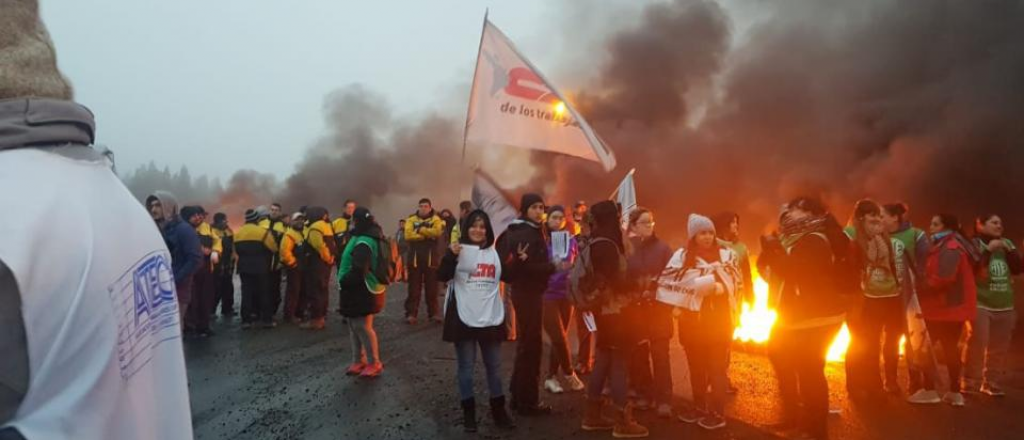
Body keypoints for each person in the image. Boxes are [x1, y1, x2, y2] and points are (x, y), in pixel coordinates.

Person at [0, 3, 192, 435]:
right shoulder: (108, 193)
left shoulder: (14, 219)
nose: (157, 210)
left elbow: (194, 256)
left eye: (161, 206)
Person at [758, 197, 849, 440]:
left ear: (809, 213)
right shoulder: (794, 238)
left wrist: (774, 250)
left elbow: (794, 271)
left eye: (793, 209)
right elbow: (770, 272)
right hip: (796, 314)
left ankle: (816, 430)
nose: (786, 212)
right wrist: (769, 252)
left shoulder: (815, 240)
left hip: (817, 316)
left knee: (810, 371)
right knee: (780, 354)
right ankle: (796, 418)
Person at [438, 210, 517, 433]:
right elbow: (442, 276)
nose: (478, 230)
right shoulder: (457, 250)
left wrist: (518, 261)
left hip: (490, 317)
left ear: (488, 230)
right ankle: (468, 413)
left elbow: (508, 276)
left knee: (494, 366)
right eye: (474, 225)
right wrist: (450, 256)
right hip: (463, 316)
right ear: (466, 228)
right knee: (466, 366)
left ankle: (499, 411)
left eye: (483, 226)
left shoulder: (494, 253)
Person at [664, 214, 742, 430]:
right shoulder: (680, 257)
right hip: (692, 322)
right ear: (693, 235)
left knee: (716, 369)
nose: (707, 237)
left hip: (719, 321)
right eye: (702, 233)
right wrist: (677, 304)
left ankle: (717, 413)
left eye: (710, 232)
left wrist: (720, 288)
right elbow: (669, 281)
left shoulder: (728, 256)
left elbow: (737, 282)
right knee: (696, 368)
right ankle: (698, 407)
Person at [579, 201, 648, 438]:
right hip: (615, 313)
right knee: (619, 363)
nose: (621, 221)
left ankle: (592, 415)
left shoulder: (596, 241)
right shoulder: (607, 246)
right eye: (618, 217)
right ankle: (622, 420)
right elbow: (614, 282)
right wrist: (639, 282)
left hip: (603, 313)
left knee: (603, 360)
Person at [496, 193, 557, 416]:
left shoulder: (527, 229)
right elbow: (528, 267)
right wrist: (553, 268)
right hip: (528, 293)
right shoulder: (524, 233)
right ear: (524, 210)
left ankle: (517, 395)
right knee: (532, 347)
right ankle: (528, 402)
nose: (539, 211)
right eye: (534, 207)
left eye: (541, 207)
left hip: (527, 293)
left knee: (526, 345)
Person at [914, 214, 980, 407]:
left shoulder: (950, 247)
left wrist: (921, 286)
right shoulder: (950, 245)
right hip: (951, 310)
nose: (931, 227)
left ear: (946, 227)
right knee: (950, 350)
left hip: (943, 310)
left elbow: (943, 278)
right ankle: (953, 392)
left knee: (926, 349)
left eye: (935, 224)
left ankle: (930, 391)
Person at [843, 200, 903, 401]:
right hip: (862, 299)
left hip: (885, 296)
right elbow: (848, 267)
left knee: (875, 343)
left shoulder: (883, 237)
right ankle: (855, 384)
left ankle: (873, 384)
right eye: (872, 218)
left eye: (879, 217)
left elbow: (892, 264)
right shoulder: (851, 236)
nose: (877, 221)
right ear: (861, 219)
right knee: (861, 343)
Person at [626, 208, 674, 417]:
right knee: (639, 355)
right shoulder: (627, 249)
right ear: (634, 226)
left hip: (659, 310)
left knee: (660, 354)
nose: (649, 226)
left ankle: (664, 399)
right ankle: (644, 394)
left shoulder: (664, 249)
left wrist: (654, 289)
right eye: (644, 222)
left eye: (651, 222)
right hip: (636, 311)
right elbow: (623, 277)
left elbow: (673, 277)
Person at [964, 214, 1020, 396]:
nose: (999, 226)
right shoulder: (974, 244)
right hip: (981, 302)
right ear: (980, 224)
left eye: (1000, 223)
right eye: (994, 222)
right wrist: (988, 250)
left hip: (1004, 303)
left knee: (999, 347)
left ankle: (991, 382)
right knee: (978, 343)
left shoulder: (1008, 244)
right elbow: (973, 267)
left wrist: (1010, 251)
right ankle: (971, 382)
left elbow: (1018, 269)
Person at [881, 203, 930, 395]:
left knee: (914, 339)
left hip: (910, 299)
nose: (880, 219)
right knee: (891, 340)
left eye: (883, 215)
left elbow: (924, 264)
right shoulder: (879, 236)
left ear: (895, 217)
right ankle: (890, 381)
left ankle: (915, 380)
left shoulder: (916, 235)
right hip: (888, 297)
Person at [541, 206, 586, 395]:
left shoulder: (570, 241)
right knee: (558, 336)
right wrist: (550, 266)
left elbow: (576, 263)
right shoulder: (541, 241)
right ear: (547, 219)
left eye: (560, 218)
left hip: (566, 294)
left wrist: (571, 266)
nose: (557, 221)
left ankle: (551, 377)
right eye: (554, 217)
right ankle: (569, 373)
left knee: (561, 339)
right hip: (546, 294)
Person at [338, 207, 387, 378]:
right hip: (358, 288)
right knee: (353, 325)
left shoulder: (365, 240)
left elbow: (359, 268)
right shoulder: (363, 235)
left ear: (358, 221)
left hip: (363, 288)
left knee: (362, 326)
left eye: (354, 220)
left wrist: (344, 280)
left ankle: (374, 363)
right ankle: (358, 360)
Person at [712, 212, 752, 395]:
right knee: (714, 341)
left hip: (735, 303)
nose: (736, 227)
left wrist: (751, 297)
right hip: (715, 303)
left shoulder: (741, 248)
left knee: (726, 342)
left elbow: (747, 274)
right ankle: (711, 378)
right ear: (723, 226)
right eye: (733, 223)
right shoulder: (711, 245)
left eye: (737, 223)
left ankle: (721, 378)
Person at [151, 194, 204, 330]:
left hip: (178, 288)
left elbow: (195, 259)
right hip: (158, 287)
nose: (153, 209)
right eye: (151, 206)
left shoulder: (183, 229)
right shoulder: (156, 229)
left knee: (174, 327)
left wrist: (176, 279)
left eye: (158, 205)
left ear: (168, 207)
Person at [235, 208, 280, 329]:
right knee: (264, 292)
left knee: (246, 293)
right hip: (261, 267)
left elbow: (236, 251)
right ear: (257, 219)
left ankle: (246, 320)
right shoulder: (262, 232)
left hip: (244, 267)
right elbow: (273, 248)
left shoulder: (238, 232)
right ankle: (267, 320)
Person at [404, 198, 445, 324]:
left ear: (430, 207)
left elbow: (437, 232)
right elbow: (408, 235)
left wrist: (420, 230)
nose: (423, 208)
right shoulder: (411, 219)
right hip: (415, 259)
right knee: (413, 289)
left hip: (431, 259)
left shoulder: (436, 219)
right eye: (421, 206)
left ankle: (433, 314)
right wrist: (428, 235)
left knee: (432, 289)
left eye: (426, 206)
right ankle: (411, 314)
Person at [187, 206, 219, 338]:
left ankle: (203, 326)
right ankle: (189, 327)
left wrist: (216, 251)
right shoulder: (185, 229)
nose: (198, 217)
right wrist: (201, 250)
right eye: (195, 215)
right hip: (189, 270)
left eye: (200, 215)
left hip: (205, 269)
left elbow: (217, 241)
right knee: (191, 299)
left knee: (205, 298)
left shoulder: (208, 228)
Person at [302, 207, 336, 330]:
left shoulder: (315, 227)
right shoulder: (327, 226)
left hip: (316, 265)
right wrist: (331, 259)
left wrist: (327, 258)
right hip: (325, 265)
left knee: (314, 291)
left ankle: (316, 320)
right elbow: (332, 244)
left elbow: (320, 246)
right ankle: (322, 314)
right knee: (323, 289)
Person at [573, 204, 595, 376]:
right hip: (580, 290)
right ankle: (584, 361)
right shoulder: (574, 240)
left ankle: (599, 362)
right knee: (583, 328)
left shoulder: (598, 241)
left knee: (600, 328)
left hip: (596, 289)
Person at [259, 205, 286, 319]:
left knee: (274, 287)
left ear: (280, 212)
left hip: (276, 261)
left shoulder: (283, 226)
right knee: (262, 287)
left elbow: (284, 244)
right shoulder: (261, 223)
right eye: (272, 210)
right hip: (262, 260)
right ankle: (262, 311)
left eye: (276, 210)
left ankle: (273, 311)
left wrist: (282, 261)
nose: (274, 212)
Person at [281, 213, 306, 324]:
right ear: (292, 221)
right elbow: (284, 252)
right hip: (294, 268)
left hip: (303, 268)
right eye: (297, 220)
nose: (300, 222)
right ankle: (289, 315)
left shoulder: (302, 233)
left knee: (302, 291)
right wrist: (293, 263)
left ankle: (299, 313)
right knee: (293, 291)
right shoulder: (289, 235)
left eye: (301, 220)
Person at [212, 212, 237, 318]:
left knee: (228, 287)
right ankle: (211, 311)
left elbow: (233, 245)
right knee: (215, 288)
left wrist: (234, 256)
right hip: (217, 264)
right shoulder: (212, 231)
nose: (226, 222)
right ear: (217, 221)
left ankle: (227, 309)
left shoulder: (228, 230)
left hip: (228, 264)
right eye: (224, 220)